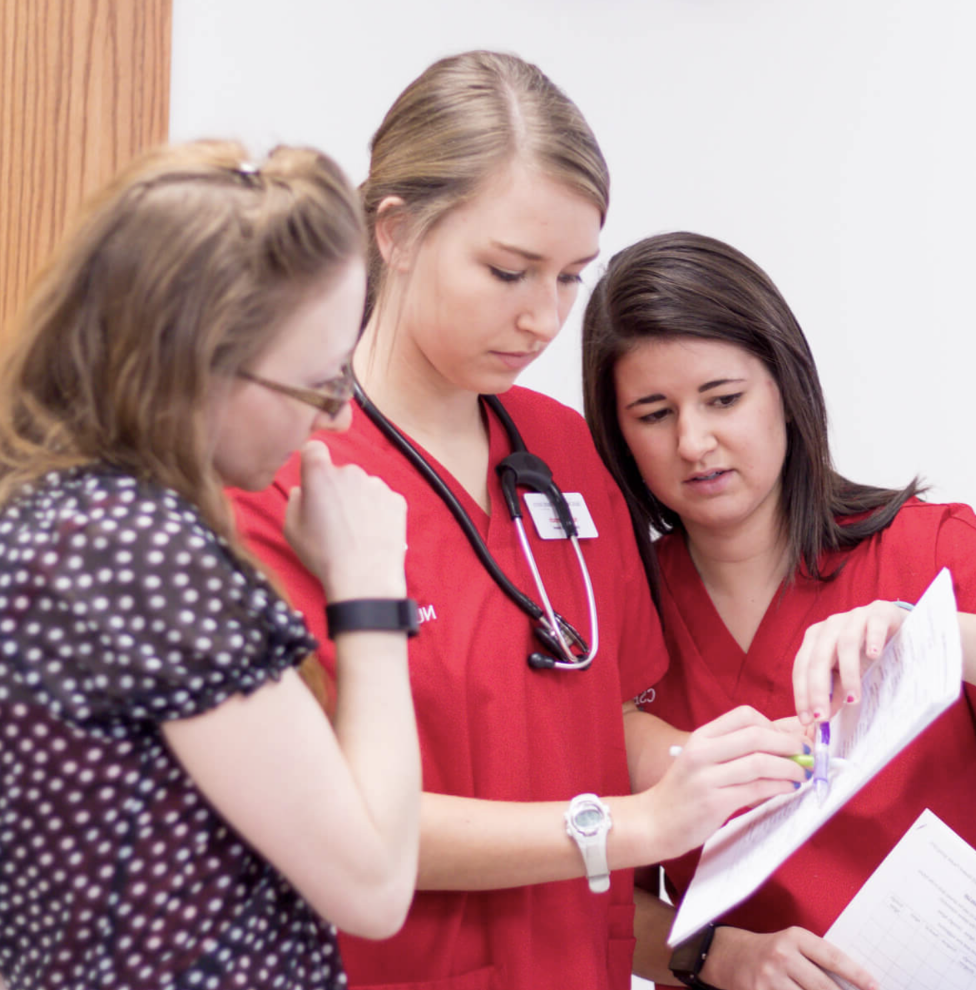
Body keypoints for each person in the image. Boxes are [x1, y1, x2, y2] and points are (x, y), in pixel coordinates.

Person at [232, 52, 810, 990]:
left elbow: (598, 711)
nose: (544, 319)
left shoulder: (567, 450)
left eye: (571, 278)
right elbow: (328, 814)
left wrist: (753, 763)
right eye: (509, 272)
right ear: (396, 232)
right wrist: (635, 826)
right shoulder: (282, 470)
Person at [0, 140, 423, 989]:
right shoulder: (133, 553)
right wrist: (372, 593)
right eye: (318, 385)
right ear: (199, 366)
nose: (337, 421)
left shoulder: (57, 519)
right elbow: (374, 883)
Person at [581, 230, 976, 990]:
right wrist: (710, 954)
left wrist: (927, 634)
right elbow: (581, 879)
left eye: (723, 399)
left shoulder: (931, 549)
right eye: (654, 413)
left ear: (787, 392)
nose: (695, 442)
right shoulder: (610, 617)